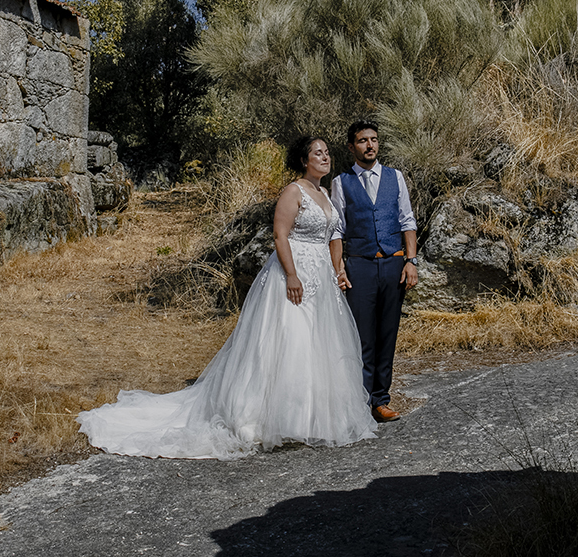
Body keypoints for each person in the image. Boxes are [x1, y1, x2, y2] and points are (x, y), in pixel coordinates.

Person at [77, 137, 377, 459]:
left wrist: (338, 268)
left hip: (322, 279)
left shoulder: (326, 195)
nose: (325, 157)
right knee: (291, 340)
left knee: (320, 344)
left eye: (327, 153)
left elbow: (333, 236)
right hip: (295, 274)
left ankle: (315, 418)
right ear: (304, 160)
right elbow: (280, 235)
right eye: (318, 153)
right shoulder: (294, 191)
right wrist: (291, 275)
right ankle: (273, 417)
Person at [329, 120, 418, 423]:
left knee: (387, 335)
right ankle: (359, 400)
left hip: (393, 263)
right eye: (363, 140)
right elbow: (337, 229)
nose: (370, 145)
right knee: (361, 337)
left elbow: (407, 220)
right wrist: (339, 267)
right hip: (360, 266)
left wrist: (411, 261)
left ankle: (381, 400)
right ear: (352, 146)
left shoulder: (396, 177)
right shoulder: (341, 183)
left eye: (374, 140)